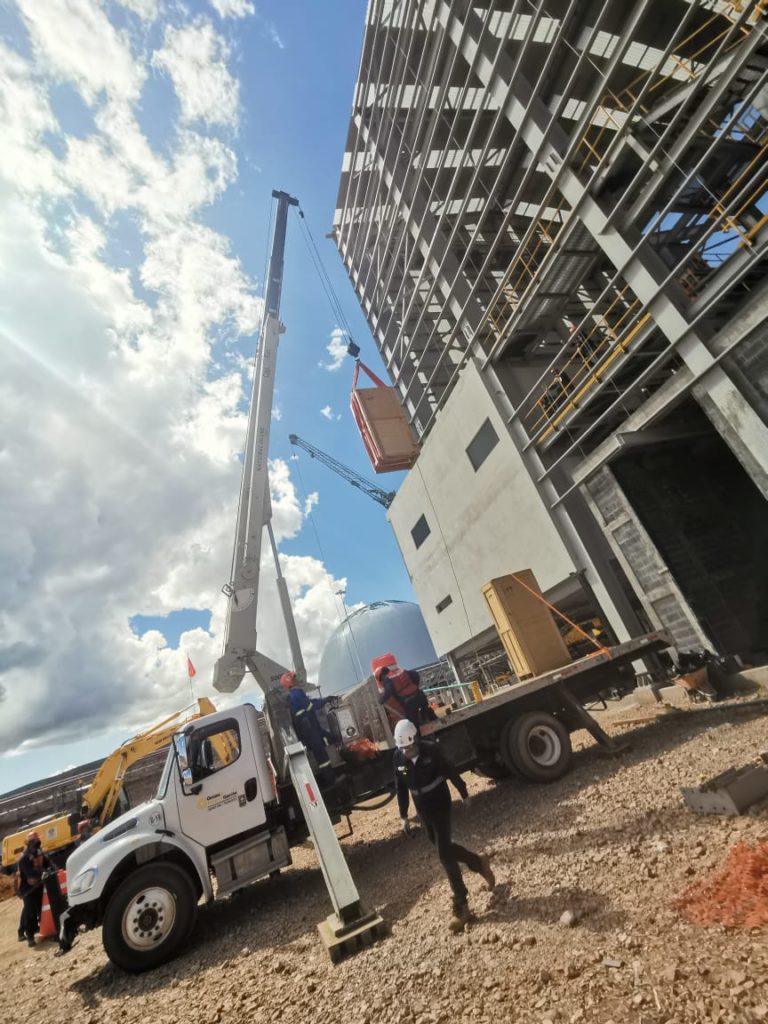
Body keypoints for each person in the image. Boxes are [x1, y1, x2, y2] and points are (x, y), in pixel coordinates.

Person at [393, 720, 495, 933]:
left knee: (444, 855)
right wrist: (403, 815)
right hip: (423, 810)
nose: (407, 752)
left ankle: (462, 906)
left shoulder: (431, 751)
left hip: (440, 804)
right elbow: (401, 787)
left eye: (410, 747)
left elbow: (450, 771)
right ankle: (478, 862)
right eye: (403, 749)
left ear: (416, 741)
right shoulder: (397, 759)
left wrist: (463, 791)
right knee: (444, 848)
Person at [280, 671, 336, 788]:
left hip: (312, 729)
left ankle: (331, 779)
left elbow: (309, 704)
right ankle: (330, 782)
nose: (298, 680)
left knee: (323, 755)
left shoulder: (296, 695)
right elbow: (312, 706)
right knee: (322, 758)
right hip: (311, 731)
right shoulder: (296, 695)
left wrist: (325, 699)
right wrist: (326, 700)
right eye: (295, 678)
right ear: (290, 682)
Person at [17, 831, 61, 948]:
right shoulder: (24, 858)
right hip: (27, 889)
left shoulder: (39, 853)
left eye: (37, 841)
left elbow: (48, 863)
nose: (36, 843)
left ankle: (45, 930)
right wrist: (43, 872)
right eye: (33, 841)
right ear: (28, 843)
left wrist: (54, 869)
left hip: (39, 886)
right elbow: (30, 874)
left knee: (41, 910)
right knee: (30, 911)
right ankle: (29, 936)